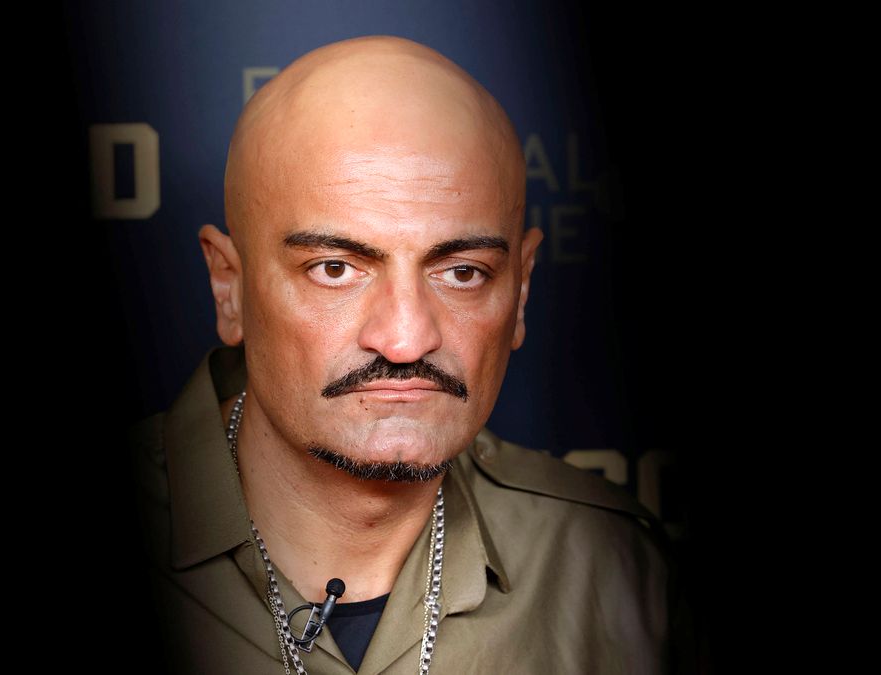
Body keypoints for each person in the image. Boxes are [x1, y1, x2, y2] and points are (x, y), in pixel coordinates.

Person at [130, 35, 680, 674]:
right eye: (335, 269)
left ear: (521, 290)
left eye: (462, 273)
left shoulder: (619, 570)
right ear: (229, 287)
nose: (405, 340)